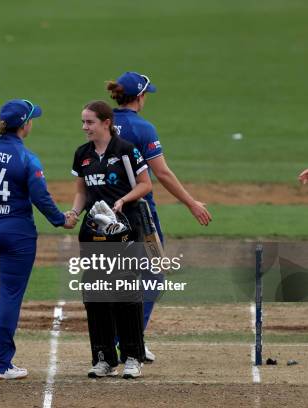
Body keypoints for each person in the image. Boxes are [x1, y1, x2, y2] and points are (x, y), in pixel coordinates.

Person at [0, 99, 72, 380]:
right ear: (25, 125)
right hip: (16, 235)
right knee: (9, 295)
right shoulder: (26, 158)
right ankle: (2, 363)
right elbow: (40, 196)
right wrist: (60, 219)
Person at [107, 71, 212, 362]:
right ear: (139, 97)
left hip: (106, 214)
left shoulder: (102, 124)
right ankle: (130, 341)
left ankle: (112, 344)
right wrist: (192, 203)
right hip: (141, 215)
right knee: (154, 273)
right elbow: (162, 173)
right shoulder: (143, 128)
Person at [66, 100, 152, 379]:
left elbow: (145, 184)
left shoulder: (126, 150)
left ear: (106, 122)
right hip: (93, 232)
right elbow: (82, 192)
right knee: (95, 295)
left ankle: (132, 357)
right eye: (83, 122)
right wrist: (75, 212)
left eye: (89, 122)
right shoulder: (83, 154)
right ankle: (103, 358)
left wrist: (122, 201)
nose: (84, 127)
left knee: (126, 293)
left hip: (125, 228)